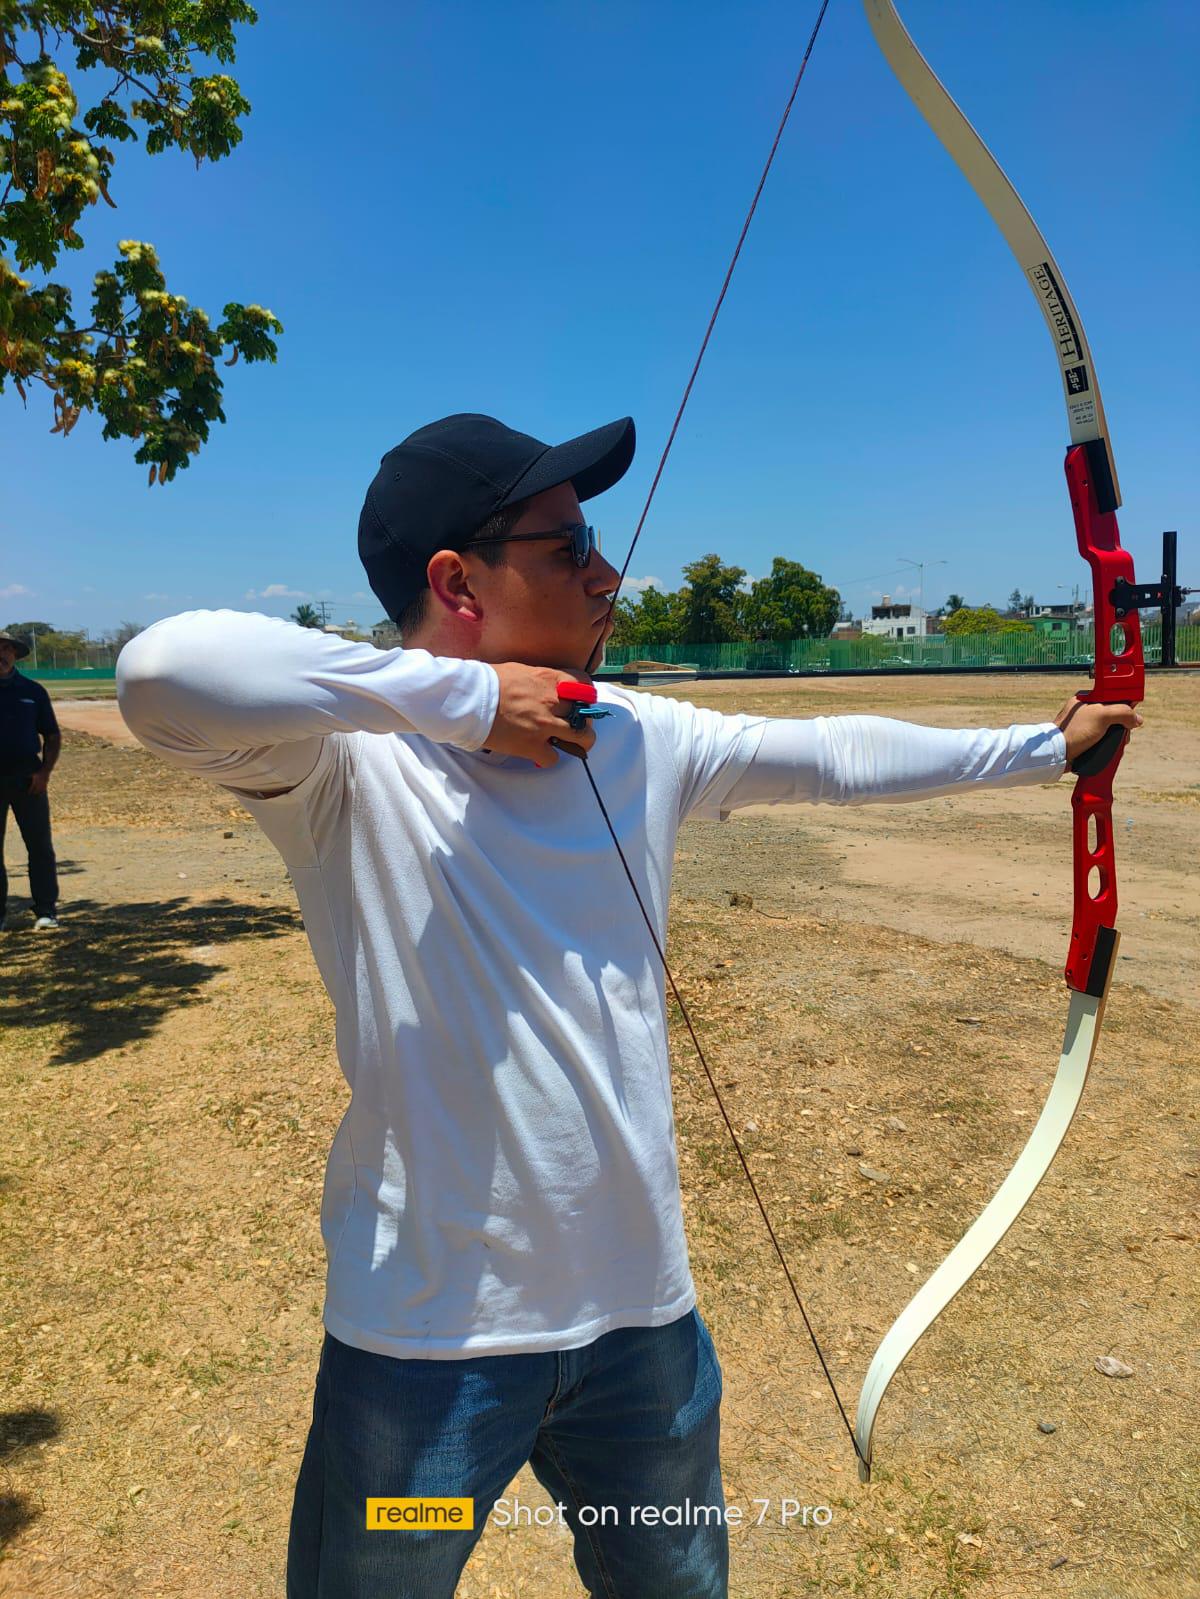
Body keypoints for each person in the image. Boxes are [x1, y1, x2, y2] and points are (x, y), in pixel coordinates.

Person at [115, 413, 1140, 1599]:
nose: (609, 572)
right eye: (569, 548)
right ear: (456, 582)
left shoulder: (636, 735)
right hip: (427, 1356)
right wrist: (458, 701)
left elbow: (828, 756)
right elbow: (161, 671)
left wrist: (1040, 746)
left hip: (640, 1341)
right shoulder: (340, 765)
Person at [0, 630, 61, 931]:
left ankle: (46, 910)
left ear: (14, 653)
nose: (2, 653)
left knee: (39, 846)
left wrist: (44, 773)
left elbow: (51, 735)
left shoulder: (32, 691)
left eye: (7, 648)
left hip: (28, 778)